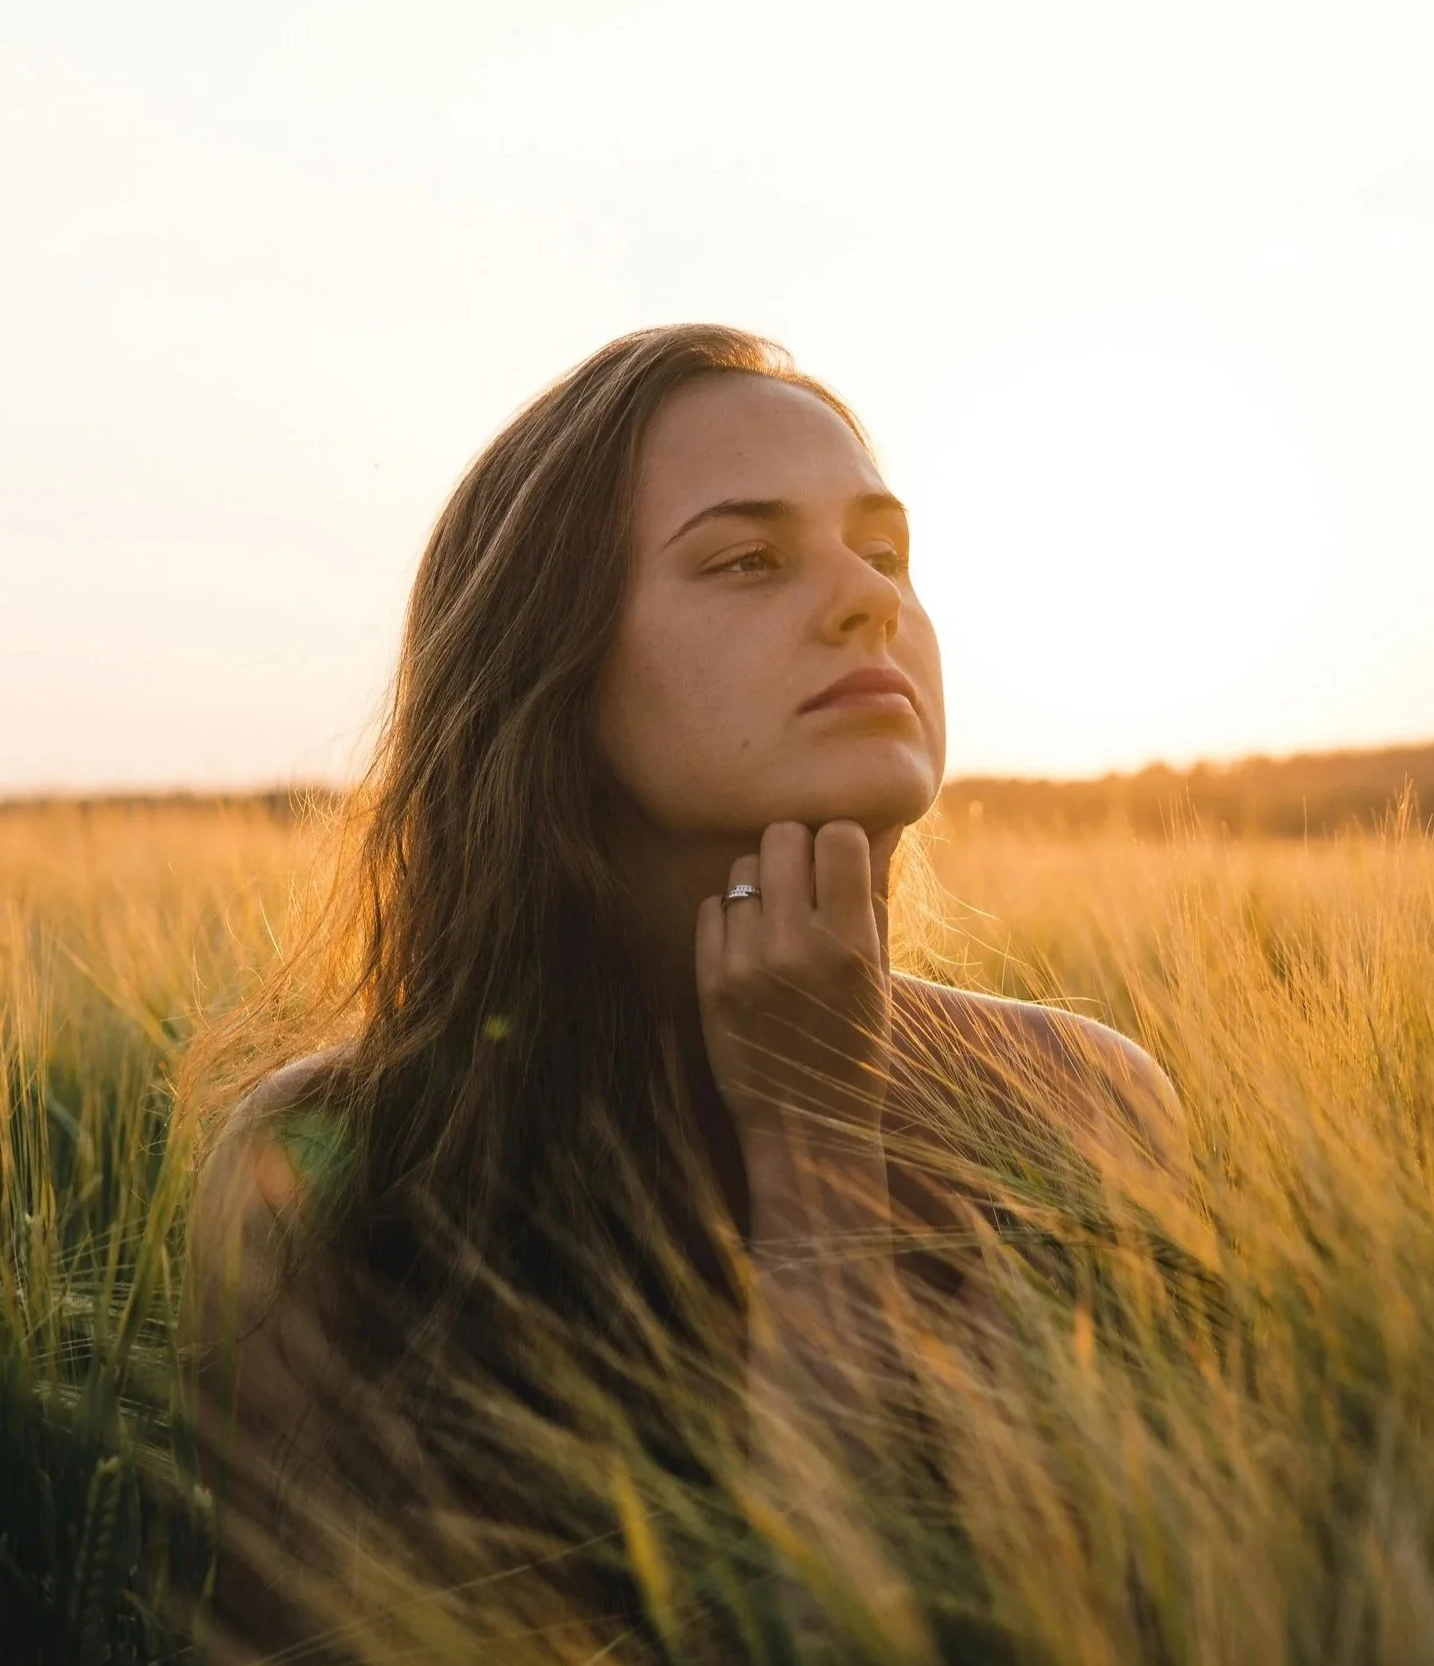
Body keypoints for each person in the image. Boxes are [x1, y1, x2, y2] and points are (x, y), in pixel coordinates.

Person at [182, 323, 1182, 1661]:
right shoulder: (333, 1174)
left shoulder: (1083, 1106)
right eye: (748, 559)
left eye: (884, 552)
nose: (866, 598)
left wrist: (821, 1144)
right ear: (555, 672)